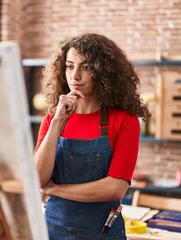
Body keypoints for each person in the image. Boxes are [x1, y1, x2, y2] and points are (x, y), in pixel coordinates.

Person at [34, 33, 151, 240]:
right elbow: (37, 179)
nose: (75, 76)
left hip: (102, 233)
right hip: (52, 231)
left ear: (104, 72)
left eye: (86, 67)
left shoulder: (124, 121)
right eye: (70, 66)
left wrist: (56, 189)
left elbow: (115, 188)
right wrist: (57, 122)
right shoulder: (53, 119)